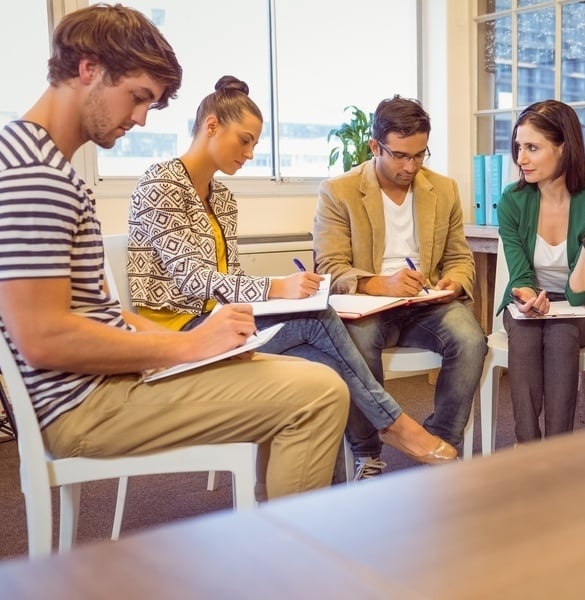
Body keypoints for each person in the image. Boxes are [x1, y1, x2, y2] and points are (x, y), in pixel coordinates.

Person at [0, 3, 349, 501]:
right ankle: (288, 566)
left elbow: (98, 312)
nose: (141, 119)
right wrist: (187, 347)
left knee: (311, 377)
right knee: (318, 395)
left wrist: (202, 344)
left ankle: (284, 540)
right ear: (88, 69)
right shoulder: (38, 178)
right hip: (87, 403)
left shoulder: (40, 162)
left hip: (102, 383)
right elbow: (43, 337)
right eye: (138, 98)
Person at [127, 77, 456, 479]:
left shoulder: (222, 198)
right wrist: (275, 288)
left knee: (325, 374)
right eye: (244, 141)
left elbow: (229, 279)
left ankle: (330, 501)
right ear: (211, 126)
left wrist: (286, 292)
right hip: (179, 332)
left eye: (254, 144)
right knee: (314, 318)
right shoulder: (162, 183)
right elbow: (195, 278)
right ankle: (396, 425)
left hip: (224, 323)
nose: (249, 153)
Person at [314, 95, 487, 477]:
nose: (410, 166)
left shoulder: (442, 189)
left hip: (427, 303)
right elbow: (329, 266)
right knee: (355, 344)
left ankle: (441, 444)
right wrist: (380, 283)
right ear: (375, 146)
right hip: (368, 304)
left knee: (472, 339)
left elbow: (460, 257)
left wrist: (453, 284)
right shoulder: (338, 191)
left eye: (420, 155)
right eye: (400, 156)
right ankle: (368, 452)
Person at [497, 100, 585, 443]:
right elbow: (520, 274)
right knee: (526, 332)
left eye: (532, 148)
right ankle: (527, 445)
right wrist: (527, 299)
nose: (520, 158)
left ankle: (557, 449)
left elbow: (579, 293)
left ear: (563, 148)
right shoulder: (512, 200)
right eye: (518, 147)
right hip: (529, 301)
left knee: (560, 332)